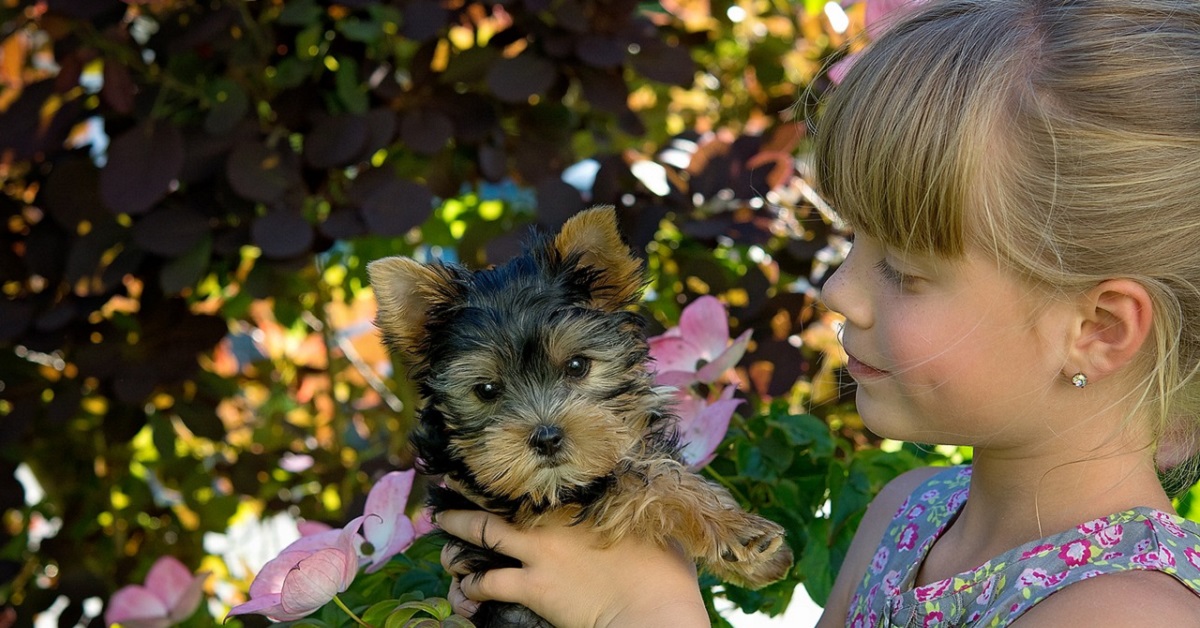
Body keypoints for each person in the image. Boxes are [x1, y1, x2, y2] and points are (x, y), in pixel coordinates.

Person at [434, 0, 1200, 625]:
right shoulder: (911, 516)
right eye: (851, 242)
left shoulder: (1124, 613)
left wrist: (646, 610)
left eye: (902, 269)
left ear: (1097, 331)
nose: (839, 289)